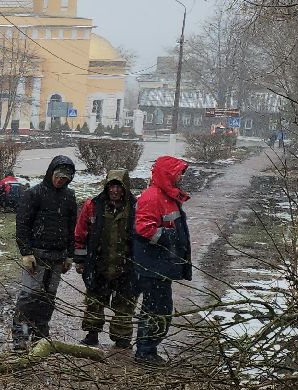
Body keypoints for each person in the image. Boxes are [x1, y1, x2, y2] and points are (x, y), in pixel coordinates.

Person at [131, 155, 193, 365]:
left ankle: (147, 349)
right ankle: (145, 351)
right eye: (178, 173)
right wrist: (172, 237)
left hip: (159, 265)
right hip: (153, 266)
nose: (181, 178)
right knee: (156, 309)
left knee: (157, 308)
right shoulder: (153, 197)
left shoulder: (165, 195)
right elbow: (144, 229)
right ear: (168, 174)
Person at [13, 155, 79, 344]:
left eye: (65, 178)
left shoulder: (69, 197)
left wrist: (69, 255)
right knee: (29, 298)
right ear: (51, 173)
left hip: (57, 257)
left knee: (48, 298)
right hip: (36, 255)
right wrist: (25, 252)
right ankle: (21, 337)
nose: (60, 181)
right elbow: (22, 225)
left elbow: (70, 226)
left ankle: (41, 336)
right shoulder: (34, 194)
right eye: (58, 176)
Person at [73, 169, 137, 348]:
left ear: (125, 188)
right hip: (98, 264)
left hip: (126, 265)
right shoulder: (93, 206)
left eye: (119, 187)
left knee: (125, 303)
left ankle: (122, 338)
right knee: (94, 301)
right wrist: (80, 261)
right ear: (106, 187)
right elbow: (80, 234)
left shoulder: (135, 207)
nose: (114, 191)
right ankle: (92, 334)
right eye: (111, 186)